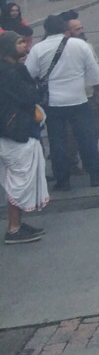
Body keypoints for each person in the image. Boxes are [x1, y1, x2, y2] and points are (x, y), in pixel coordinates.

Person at [28, 13, 99, 191]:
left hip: (53, 102)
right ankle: (95, 174)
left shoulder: (38, 49)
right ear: (65, 28)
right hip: (78, 99)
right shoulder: (80, 45)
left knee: (57, 141)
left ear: (46, 30)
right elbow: (94, 72)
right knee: (86, 138)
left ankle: (63, 180)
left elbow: (30, 73)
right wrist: (96, 91)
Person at [0, 30, 49, 244]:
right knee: (18, 182)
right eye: (20, 42)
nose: (24, 45)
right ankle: (13, 228)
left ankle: (18, 223)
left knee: (20, 181)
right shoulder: (8, 72)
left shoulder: (15, 69)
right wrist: (37, 91)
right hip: (15, 134)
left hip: (19, 131)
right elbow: (30, 95)